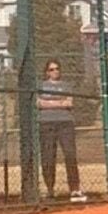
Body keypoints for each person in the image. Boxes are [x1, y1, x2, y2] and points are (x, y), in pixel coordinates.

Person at [37, 59, 87, 202]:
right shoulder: (41, 85)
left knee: (70, 155)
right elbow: (39, 103)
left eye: (57, 69)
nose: (55, 71)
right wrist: (59, 102)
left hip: (65, 123)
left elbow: (69, 103)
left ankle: (75, 189)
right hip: (46, 124)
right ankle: (50, 190)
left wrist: (49, 103)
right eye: (52, 69)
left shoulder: (66, 85)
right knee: (48, 157)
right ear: (47, 72)